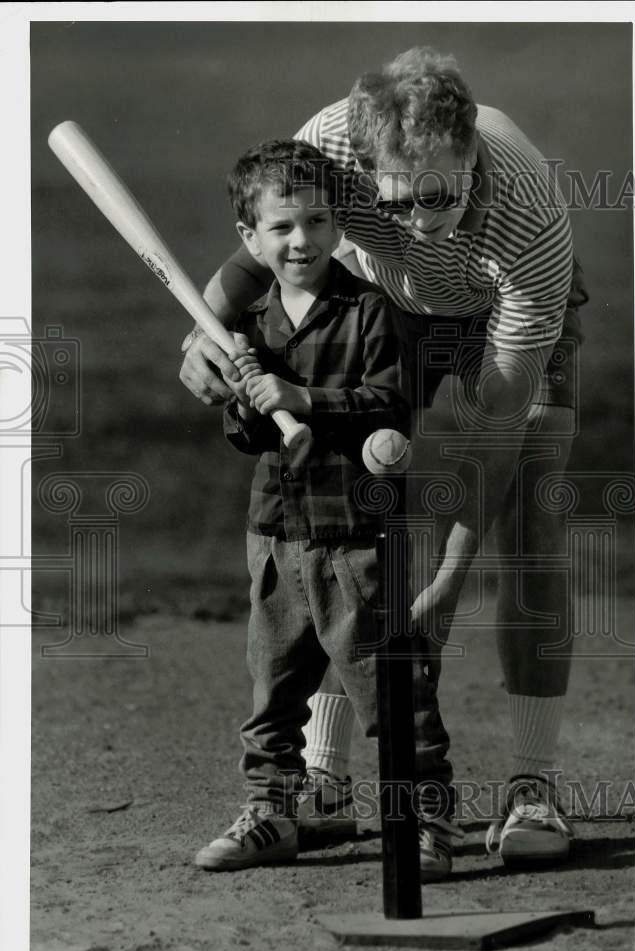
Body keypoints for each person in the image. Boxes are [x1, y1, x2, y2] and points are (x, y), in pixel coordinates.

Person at [181, 48, 589, 867]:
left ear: (471, 155)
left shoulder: (531, 223)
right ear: (364, 167)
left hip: (499, 319)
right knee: (346, 517)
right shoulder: (331, 140)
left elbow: (496, 424)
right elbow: (264, 238)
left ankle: (531, 786)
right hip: (384, 308)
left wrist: (445, 584)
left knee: (533, 522)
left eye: (439, 196)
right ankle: (325, 783)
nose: (420, 221)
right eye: (398, 203)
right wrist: (203, 328)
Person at [194, 138, 458, 878]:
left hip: (359, 537)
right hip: (277, 532)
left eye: (314, 222)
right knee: (272, 688)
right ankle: (273, 813)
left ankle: (428, 821)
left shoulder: (370, 311)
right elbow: (247, 438)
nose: (300, 240)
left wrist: (305, 398)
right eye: (280, 228)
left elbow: (392, 405)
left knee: (392, 689)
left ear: (337, 225)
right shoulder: (250, 326)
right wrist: (246, 398)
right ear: (250, 239)